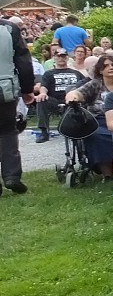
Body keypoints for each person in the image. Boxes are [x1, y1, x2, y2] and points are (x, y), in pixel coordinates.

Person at [64, 53, 113, 177]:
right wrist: (72, 97)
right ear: (100, 70)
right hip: (99, 121)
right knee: (95, 135)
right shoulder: (95, 84)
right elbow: (78, 93)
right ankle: (107, 173)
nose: (111, 68)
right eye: (106, 66)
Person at [0, 15, 34, 196]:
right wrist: (28, 89)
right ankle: (11, 176)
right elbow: (23, 61)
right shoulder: (10, 29)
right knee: (7, 131)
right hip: (4, 89)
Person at [32, 48, 88, 143]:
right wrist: (43, 93)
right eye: (59, 56)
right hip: (55, 101)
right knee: (41, 99)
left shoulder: (76, 73)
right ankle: (44, 131)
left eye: (63, 56)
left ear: (67, 58)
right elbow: (44, 86)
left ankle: (84, 129)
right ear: (54, 58)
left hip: (73, 100)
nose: (61, 58)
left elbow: (85, 86)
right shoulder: (48, 73)